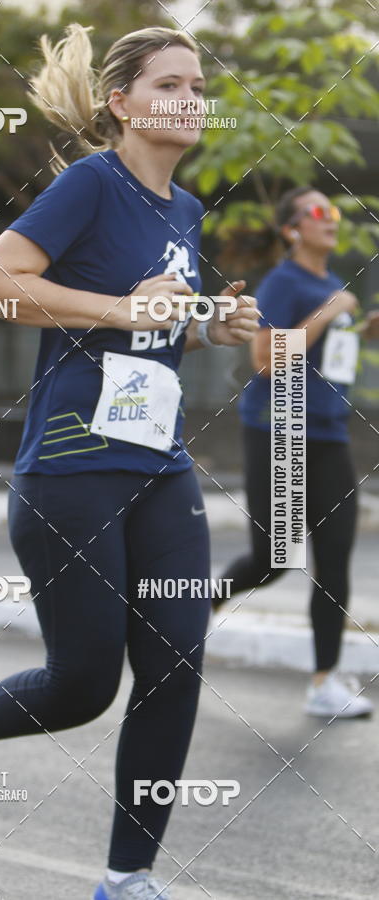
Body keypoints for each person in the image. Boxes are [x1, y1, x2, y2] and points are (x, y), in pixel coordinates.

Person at [0, 24, 259, 899]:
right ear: (121, 103)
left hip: (161, 466)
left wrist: (211, 328)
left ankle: (126, 880)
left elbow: (152, 326)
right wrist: (118, 308)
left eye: (198, 85)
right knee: (83, 684)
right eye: (168, 84)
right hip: (73, 464)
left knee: (176, 666)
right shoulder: (93, 185)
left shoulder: (188, 210)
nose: (189, 98)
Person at [215, 185, 379, 720]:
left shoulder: (329, 282)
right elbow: (265, 357)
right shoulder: (286, 282)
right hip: (279, 432)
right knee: (271, 560)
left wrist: (362, 329)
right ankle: (197, 603)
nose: (331, 218)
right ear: (292, 230)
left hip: (328, 434)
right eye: (318, 211)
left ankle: (325, 681)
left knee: (334, 556)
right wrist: (332, 310)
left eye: (333, 210)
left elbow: (325, 353)